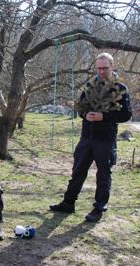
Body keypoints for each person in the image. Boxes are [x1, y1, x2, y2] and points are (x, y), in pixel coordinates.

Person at [50, 52, 132, 222]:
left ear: (112, 66)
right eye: (99, 68)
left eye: (105, 68)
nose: (101, 71)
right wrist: (85, 114)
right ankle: (68, 203)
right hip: (87, 136)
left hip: (106, 138)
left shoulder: (120, 88)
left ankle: (99, 208)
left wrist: (104, 117)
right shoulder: (90, 86)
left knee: (103, 174)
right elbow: (80, 108)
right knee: (78, 170)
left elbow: (126, 114)